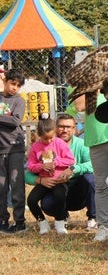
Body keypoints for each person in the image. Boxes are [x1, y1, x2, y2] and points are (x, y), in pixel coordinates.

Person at [25, 113, 97, 230]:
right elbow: (28, 173)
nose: (65, 130)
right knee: (40, 201)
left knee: (90, 178)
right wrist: (40, 179)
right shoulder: (38, 146)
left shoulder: (81, 144)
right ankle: (60, 217)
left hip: (76, 189)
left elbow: (92, 164)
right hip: (52, 184)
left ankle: (93, 218)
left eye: (68, 127)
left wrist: (73, 169)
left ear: (74, 128)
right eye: (61, 126)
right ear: (55, 128)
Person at [75, 92, 108, 242]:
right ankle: (103, 227)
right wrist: (92, 86)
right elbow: (79, 106)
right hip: (97, 141)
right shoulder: (88, 89)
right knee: (101, 184)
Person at [27, 117, 75, 235]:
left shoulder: (59, 143)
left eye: (51, 138)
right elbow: (30, 166)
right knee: (31, 200)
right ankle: (42, 223)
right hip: (45, 180)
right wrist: (41, 166)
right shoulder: (35, 147)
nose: (48, 141)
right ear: (38, 135)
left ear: (55, 133)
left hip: (59, 180)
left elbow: (70, 160)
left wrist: (56, 162)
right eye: (45, 139)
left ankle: (60, 222)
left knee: (60, 196)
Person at [0, 68, 26, 234]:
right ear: (5, 81)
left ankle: (20, 221)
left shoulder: (19, 101)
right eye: (12, 83)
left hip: (15, 147)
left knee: (16, 186)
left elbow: (15, 120)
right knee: (1, 186)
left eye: (18, 85)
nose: (14, 87)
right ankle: (2, 219)